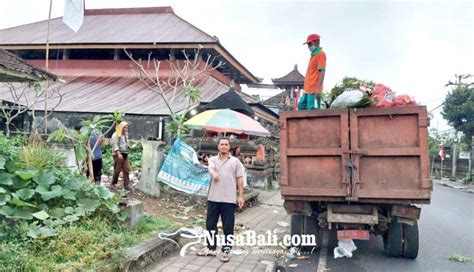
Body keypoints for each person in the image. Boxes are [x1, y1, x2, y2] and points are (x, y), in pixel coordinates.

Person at [197, 137, 245, 262]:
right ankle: (211, 248)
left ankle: (226, 251)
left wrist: (240, 196)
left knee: (228, 226)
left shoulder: (235, 162)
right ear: (218, 146)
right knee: (210, 225)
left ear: (229, 147)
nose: (224, 146)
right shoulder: (212, 159)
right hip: (213, 197)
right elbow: (210, 167)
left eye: (226, 144)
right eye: (222, 144)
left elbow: (240, 179)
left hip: (229, 199)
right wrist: (214, 173)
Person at [299, 33, 326, 110]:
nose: (308, 46)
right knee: (301, 106)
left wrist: (318, 88)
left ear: (316, 42)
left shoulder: (321, 54)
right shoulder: (313, 55)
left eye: (310, 44)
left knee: (312, 110)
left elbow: (322, 72)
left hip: (314, 89)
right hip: (307, 89)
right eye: (308, 44)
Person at [110, 121, 130, 190]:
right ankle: (113, 183)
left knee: (126, 169)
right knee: (117, 170)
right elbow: (114, 144)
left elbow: (125, 143)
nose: (126, 129)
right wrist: (118, 153)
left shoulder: (126, 134)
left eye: (127, 128)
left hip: (125, 153)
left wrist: (128, 147)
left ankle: (126, 185)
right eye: (125, 128)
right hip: (118, 154)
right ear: (121, 128)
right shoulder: (116, 134)